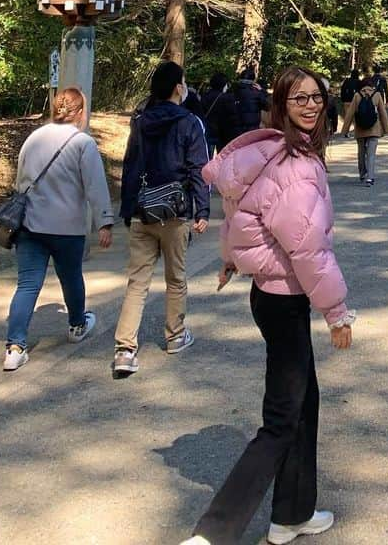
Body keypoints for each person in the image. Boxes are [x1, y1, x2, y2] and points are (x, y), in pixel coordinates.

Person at [182, 67, 354, 545]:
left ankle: (292, 514)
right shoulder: (296, 163)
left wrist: (230, 259)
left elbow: (242, 213)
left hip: (274, 295)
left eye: (316, 97)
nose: (310, 104)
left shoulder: (275, 152)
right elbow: (306, 247)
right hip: (285, 298)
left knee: (305, 405)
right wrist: (337, 312)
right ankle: (213, 533)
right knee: (282, 418)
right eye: (298, 97)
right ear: (279, 103)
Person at [2, 87, 114, 371]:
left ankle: (15, 346)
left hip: (29, 224)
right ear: (78, 112)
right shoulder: (83, 143)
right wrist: (104, 221)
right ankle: (77, 324)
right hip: (66, 226)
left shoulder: (33, 139)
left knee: (27, 284)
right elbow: (95, 186)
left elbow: (20, 181)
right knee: (71, 277)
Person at [112, 61, 210, 378]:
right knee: (176, 278)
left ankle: (125, 350)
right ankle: (175, 335)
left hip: (142, 211)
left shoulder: (140, 120)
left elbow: (131, 165)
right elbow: (198, 169)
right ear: (177, 87)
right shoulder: (189, 122)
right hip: (174, 212)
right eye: (182, 82)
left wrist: (127, 208)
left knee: (137, 283)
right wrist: (202, 210)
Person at [340, 75, 388, 186]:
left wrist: (345, 130)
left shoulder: (357, 96)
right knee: (371, 154)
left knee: (361, 153)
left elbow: (350, 114)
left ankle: (362, 174)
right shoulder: (377, 95)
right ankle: (370, 177)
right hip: (374, 129)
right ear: (372, 85)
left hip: (360, 129)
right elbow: (383, 113)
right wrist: (386, 129)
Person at [200, 73, 240, 155]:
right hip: (222, 134)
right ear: (224, 84)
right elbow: (233, 118)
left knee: (207, 157)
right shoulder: (228, 98)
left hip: (207, 131)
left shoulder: (205, 96)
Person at [235, 67, 271, 133]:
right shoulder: (257, 93)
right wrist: (262, 90)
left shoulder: (233, 91)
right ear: (253, 81)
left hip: (234, 129)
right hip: (251, 130)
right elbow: (268, 106)